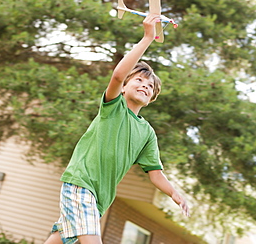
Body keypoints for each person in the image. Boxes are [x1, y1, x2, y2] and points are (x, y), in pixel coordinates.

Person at [44, 13, 190, 244]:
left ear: (152, 98)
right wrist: (147, 38)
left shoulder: (147, 133)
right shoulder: (114, 107)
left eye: (150, 86)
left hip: (101, 197)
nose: (144, 86)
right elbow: (118, 75)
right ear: (123, 88)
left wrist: (173, 193)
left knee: (58, 240)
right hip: (81, 184)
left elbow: (155, 173)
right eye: (138, 81)